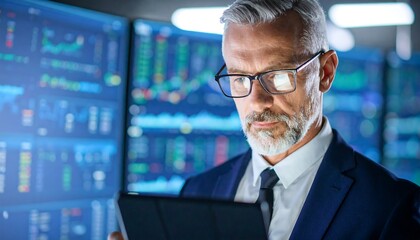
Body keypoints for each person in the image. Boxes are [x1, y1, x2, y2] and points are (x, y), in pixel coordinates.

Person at [109, 0, 419, 239]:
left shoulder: (391, 207)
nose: (257, 101)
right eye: (239, 78)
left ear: (325, 73)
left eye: (279, 76)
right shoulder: (197, 191)